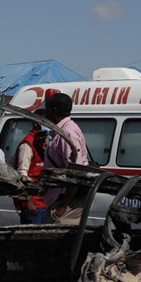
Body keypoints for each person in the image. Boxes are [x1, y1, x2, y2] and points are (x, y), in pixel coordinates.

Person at [40, 92, 90, 224]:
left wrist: (62, 206)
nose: (45, 112)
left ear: (54, 110)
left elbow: (75, 172)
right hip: (57, 198)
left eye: (47, 108)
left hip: (65, 202)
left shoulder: (67, 133)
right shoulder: (60, 131)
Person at [13, 122, 49, 224]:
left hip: (43, 200)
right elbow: (22, 174)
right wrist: (28, 201)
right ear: (36, 124)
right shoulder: (27, 144)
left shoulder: (42, 142)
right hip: (33, 203)